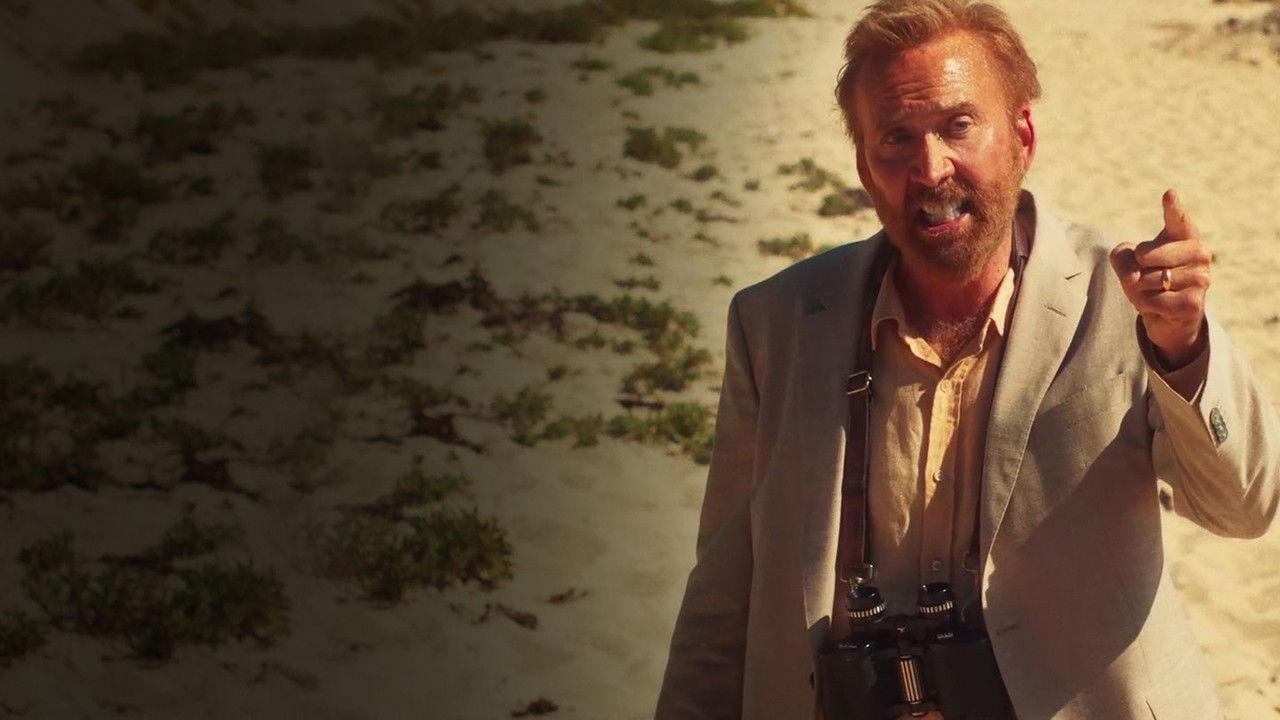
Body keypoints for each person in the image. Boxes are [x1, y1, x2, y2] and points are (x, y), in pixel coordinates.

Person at [654, 1, 1280, 719]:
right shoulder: (777, 323)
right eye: (896, 138)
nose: (930, 168)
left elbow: (1244, 507)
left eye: (958, 126)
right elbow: (724, 592)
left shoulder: (1125, 302)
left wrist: (1184, 348)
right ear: (864, 166)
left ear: (1022, 137)